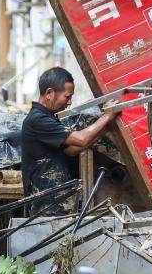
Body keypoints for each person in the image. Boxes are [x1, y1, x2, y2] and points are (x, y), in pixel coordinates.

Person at [21, 67, 119, 215]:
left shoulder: (48, 118)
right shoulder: (38, 120)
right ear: (49, 93)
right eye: (67, 97)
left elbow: (71, 150)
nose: (69, 102)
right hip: (46, 205)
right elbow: (81, 139)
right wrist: (106, 116)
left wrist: (104, 129)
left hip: (58, 202)